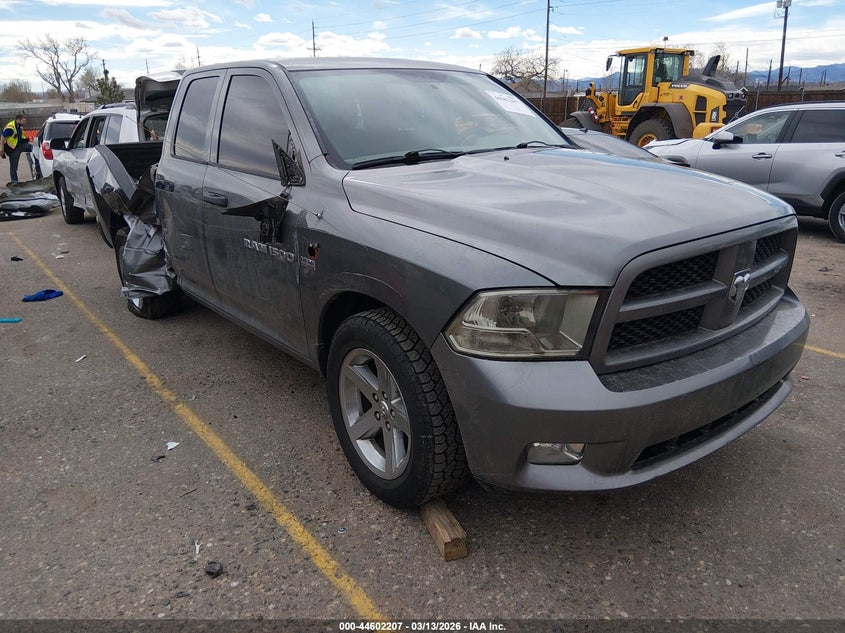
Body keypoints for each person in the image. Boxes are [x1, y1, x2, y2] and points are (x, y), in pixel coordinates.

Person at [1, 113, 33, 182]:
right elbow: (3, 137)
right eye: (23, 120)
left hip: (21, 145)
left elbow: (20, 136)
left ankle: (38, 169)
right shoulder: (10, 128)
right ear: (18, 119)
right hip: (13, 149)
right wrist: (1, 149)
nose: (24, 122)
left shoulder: (19, 125)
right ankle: (14, 182)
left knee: (35, 149)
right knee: (14, 167)